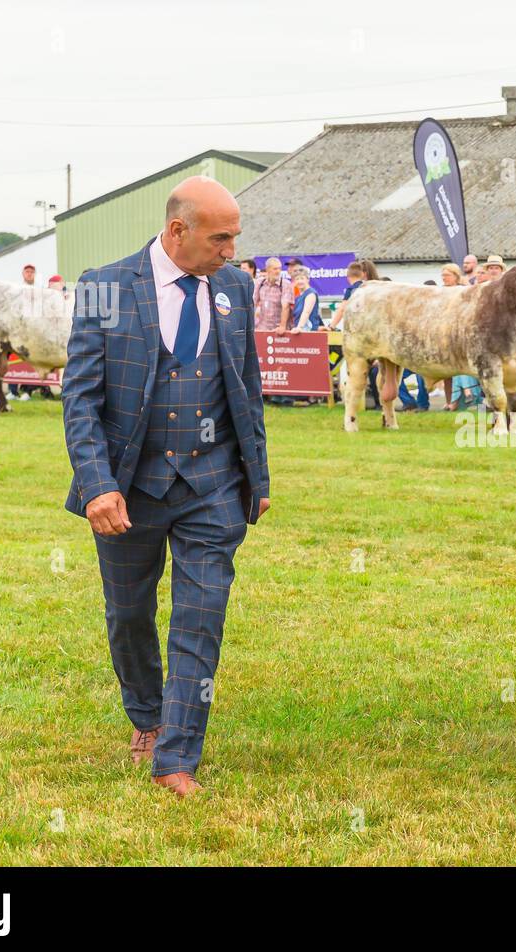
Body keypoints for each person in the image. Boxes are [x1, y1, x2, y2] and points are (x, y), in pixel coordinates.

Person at [61, 176, 270, 798]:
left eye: (235, 237)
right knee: (129, 615)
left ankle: (176, 755)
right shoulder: (104, 287)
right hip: (130, 487)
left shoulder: (234, 287)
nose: (232, 250)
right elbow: (81, 399)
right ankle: (147, 716)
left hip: (213, 486)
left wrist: (256, 478)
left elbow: (246, 385)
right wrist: (98, 485)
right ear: (178, 230)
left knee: (201, 616)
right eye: (221, 237)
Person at [252, 256, 292, 332]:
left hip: (279, 329)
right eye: (275, 269)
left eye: (279, 268)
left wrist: (282, 326)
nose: (278, 271)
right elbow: (252, 303)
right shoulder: (260, 282)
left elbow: (286, 306)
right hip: (262, 327)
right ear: (267, 269)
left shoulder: (285, 284)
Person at [286, 268, 321, 332]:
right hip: (298, 331)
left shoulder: (311, 294)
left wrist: (299, 327)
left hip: (309, 332)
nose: (300, 281)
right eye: (297, 279)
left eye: (302, 278)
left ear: (307, 279)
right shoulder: (297, 297)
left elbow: (306, 312)